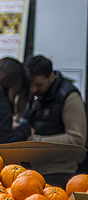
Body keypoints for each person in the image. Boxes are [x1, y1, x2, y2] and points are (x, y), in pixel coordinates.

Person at [24, 55, 87, 183]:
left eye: (39, 85)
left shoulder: (69, 97)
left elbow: (77, 139)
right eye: (30, 85)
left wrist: (35, 141)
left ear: (51, 76)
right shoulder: (35, 94)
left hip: (60, 171)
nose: (33, 89)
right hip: (34, 169)